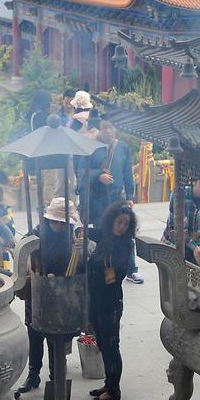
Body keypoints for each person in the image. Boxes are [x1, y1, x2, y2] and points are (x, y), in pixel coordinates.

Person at [16, 197, 83, 395]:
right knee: (34, 334)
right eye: (53, 221)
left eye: (61, 223)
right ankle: (33, 374)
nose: (57, 225)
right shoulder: (37, 233)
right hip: (37, 290)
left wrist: (78, 253)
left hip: (59, 293)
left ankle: (56, 377)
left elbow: (78, 266)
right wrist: (29, 262)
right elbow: (21, 249)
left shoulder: (72, 239)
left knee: (56, 337)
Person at [79, 120, 141, 283]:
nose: (107, 131)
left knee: (126, 233)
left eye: (111, 127)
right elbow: (82, 171)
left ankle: (131, 269)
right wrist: (99, 175)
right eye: (104, 127)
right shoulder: (91, 147)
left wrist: (129, 195)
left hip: (117, 198)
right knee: (104, 234)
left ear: (116, 128)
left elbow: (127, 171)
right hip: (100, 199)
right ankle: (106, 269)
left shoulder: (123, 147)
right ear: (99, 129)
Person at [86, 201, 137, 400]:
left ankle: (114, 390)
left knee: (111, 345)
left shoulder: (125, 245)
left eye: (126, 224)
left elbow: (116, 276)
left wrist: (104, 267)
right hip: (96, 299)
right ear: (111, 221)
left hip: (111, 302)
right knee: (101, 342)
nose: (122, 226)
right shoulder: (104, 236)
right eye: (119, 222)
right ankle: (108, 383)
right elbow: (84, 230)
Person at [161, 179, 200, 265]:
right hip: (174, 242)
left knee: (196, 274)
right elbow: (175, 227)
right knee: (177, 273)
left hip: (195, 243)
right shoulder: (179, 194)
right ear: (194, 181)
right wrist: (194, 246)